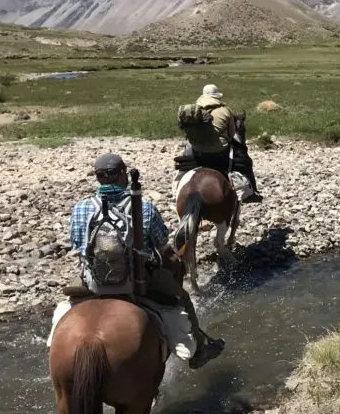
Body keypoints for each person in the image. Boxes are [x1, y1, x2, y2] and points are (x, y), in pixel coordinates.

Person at [68, 152, 224, 368]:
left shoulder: (81, 208)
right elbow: (161, 244)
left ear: (98, 177)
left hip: (94, 282)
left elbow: (78, 245)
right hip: (137, 280)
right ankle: (198, 350)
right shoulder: (144, 207)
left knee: (66, 307)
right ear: (123, 173)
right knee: (183, 298)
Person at [179, 84, 259, 202]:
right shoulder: (225, 110)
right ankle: (251, 192)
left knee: (181, 165)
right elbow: (232, 133)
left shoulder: (194, 109)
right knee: (246, 162)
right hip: (219, 151)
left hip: (196, 149)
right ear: (217, 96)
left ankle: (177, 188)